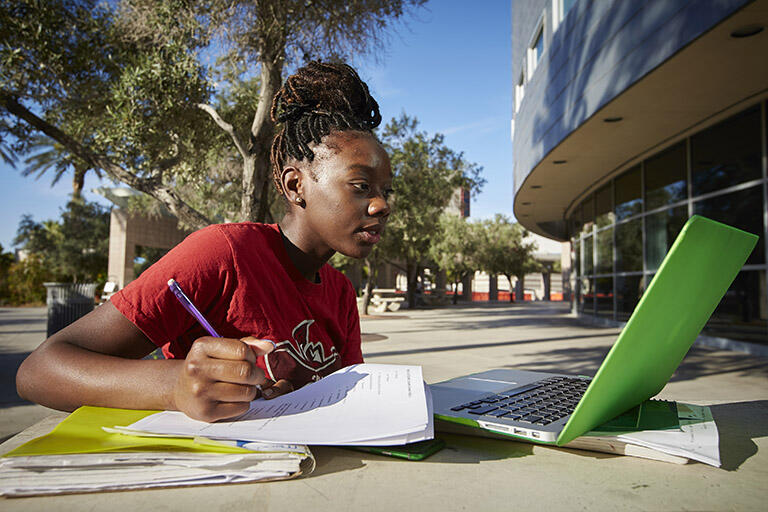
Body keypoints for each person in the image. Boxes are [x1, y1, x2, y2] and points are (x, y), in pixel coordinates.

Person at [16, 61, 392, 423]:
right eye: (362, 186)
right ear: (296, 185)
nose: (382, 205)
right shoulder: (223, 254)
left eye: (386, 191)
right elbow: (40, 371)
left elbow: (344, 397)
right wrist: (175, 385)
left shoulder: (340, 292)